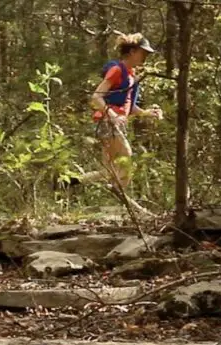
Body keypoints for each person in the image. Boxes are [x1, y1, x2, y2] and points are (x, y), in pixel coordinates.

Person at [70, 33, 163, 212]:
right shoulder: (118, 70)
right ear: (132, 51)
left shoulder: (131, 75)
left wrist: (147, 113)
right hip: (107, 122)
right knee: (126, 160)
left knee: (109, 172)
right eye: (143, 52)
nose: (146, 57)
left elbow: (129, 107)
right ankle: (122, 207)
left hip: (116, 123)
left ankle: (69, 181)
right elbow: (96, 97)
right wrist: (112, 115)